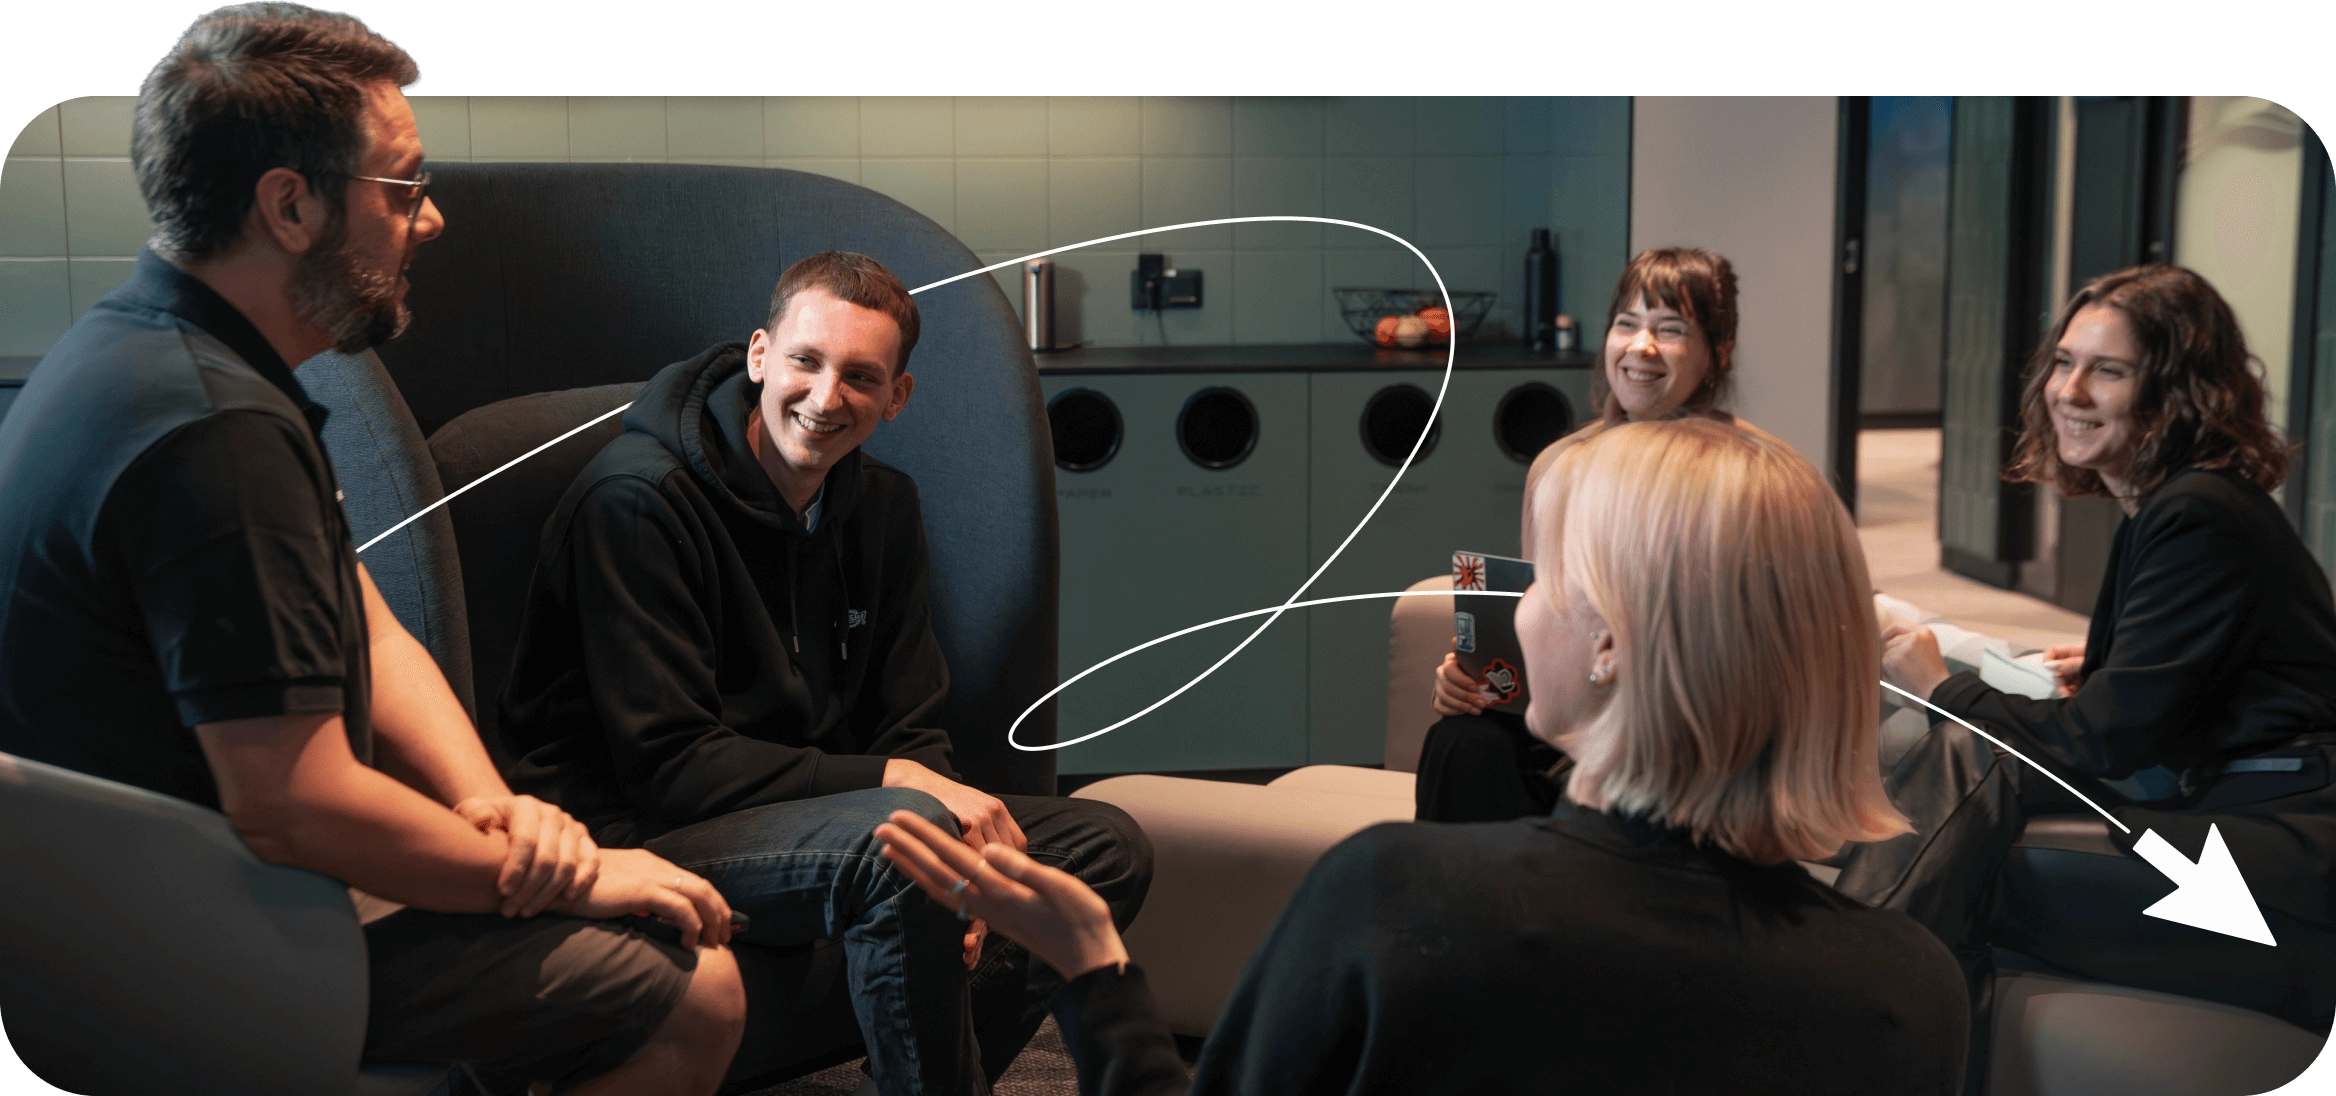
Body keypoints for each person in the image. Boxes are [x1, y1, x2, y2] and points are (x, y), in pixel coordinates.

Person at [0, 9, 745, 1095]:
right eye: (403, 190)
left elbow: (359, 610)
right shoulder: (219, 436)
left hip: (148, 888)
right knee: (694, 986)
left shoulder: (142, 349)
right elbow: (292, 801)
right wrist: (553, 879)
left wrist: (493, 806)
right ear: (289, 205)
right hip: (196, 939)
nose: (430, 220)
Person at [877, 417, 1972, 1095]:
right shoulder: (1911, 985)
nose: (1507, 606)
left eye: (1538, 577)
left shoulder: (1394, 892)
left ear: (1609, 643)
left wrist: (1094, 969)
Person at [496, 251, 1152, 1095]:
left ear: (895, 398)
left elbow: (909, 722)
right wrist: (903, 795)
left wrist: (954, 859)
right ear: (761, 354)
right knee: (902, 844)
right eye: (806, 361)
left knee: (1101, 847)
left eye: (860, 376)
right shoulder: (638, 501)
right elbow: (671, 765)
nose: (825, 396)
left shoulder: (881, 505)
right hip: (634, 828)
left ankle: (943, 1072)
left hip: (807, 817)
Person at [1836, 264, 2336, 1077]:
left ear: (2177, 391)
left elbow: (2100, 746)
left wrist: (1943, 691)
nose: (2070, 390)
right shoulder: (2180, 503)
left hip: (2283, 850)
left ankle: (1834, 997)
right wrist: (2117, 665)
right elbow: (2191, 686)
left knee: (1969, 805)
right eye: (2064, 363)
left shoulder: (2197, 512)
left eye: (2108, 371)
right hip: (2248, 807)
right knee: (1962, 806)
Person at [1416, 246, 1771, 823]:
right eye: (1626, 325)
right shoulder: (1560, 466)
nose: (1640, 347)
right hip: (1564, 717)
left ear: (1719, 353)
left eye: (1670, 330)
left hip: (1681, 724)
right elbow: (1539, 615)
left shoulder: (1751, 474)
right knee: (1463, 740)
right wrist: (1476, 678)